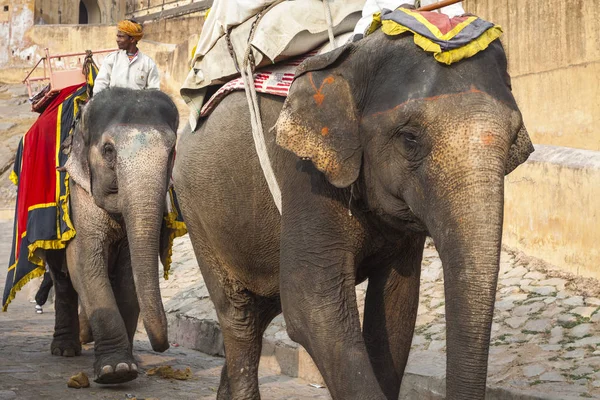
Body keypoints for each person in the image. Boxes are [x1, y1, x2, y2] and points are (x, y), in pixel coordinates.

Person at [94, 19, 160, 94]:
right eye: (117, 36)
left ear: (132, 39)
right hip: (113, 104)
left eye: (121, 37)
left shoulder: (148, 63)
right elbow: (100, 85)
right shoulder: (111, 59)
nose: (117, 40)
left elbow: (154, 91)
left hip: (137, 105)